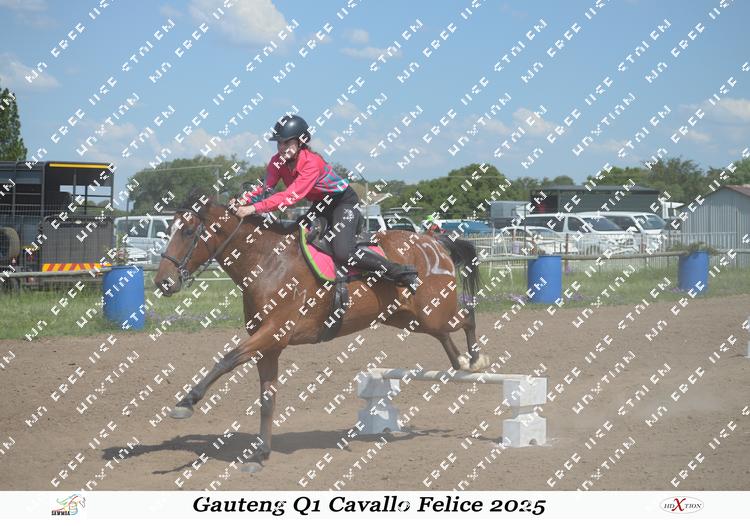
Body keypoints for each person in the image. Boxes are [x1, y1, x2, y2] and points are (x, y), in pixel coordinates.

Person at [231, 114, 419, 289]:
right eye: (279, 143)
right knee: (293, 234)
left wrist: (253, 208)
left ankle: (398, 272)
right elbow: (265, 188)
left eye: (287, 142)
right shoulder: (276, 161)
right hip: (320, 205)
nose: (281, 147)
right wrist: (241, 201)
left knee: (343, 253)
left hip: (343, 202)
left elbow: (291, 196)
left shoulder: (312, 163)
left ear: (301, 141)